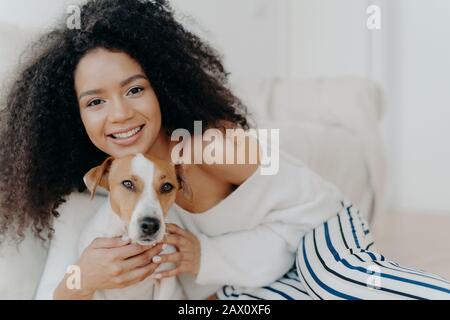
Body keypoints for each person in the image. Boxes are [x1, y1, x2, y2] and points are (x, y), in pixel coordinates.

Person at [1, 0, 450, 300]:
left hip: (321, 242)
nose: (118, 114)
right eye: (95, 101)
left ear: (162, 86)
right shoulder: (85, 196)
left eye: (134, 89)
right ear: (71, 116)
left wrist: (205, 257)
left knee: (340, 283)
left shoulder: (211, 145)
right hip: (246, 286)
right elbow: (56, 291)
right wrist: (85, 279)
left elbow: (314, 212)